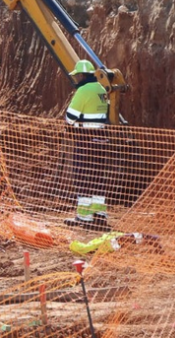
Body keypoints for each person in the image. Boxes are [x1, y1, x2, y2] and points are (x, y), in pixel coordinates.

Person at [64, 59, 111, 228]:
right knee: (97, 177)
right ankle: (99, 214)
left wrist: (69, 125)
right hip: (102, 139)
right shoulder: (101, 88)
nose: (76, 79)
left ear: (82, 75)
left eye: (77, 76)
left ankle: (84, 216)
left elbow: (71, 117)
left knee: (83, 177)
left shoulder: (83, 90)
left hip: (85, 140)